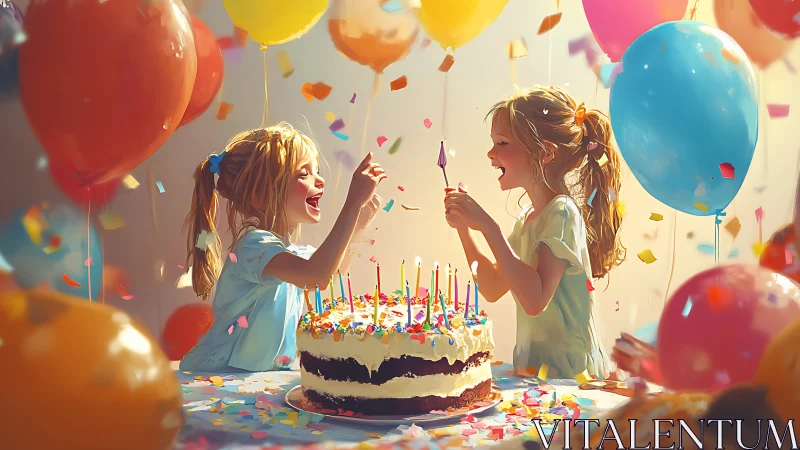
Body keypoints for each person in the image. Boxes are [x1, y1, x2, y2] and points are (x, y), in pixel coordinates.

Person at [443, 86, 625, 379]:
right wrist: (466, 230)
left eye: (502, 143)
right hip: (537, 374)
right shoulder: (529, 219)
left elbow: (535, 299)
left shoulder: (562, 213)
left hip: (571, 378)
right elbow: (491, 287)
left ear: (543, 153)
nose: (491, 153)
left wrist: (488, 227)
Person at [180, 122, 386, 372]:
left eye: (316, 171)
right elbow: (317, 276)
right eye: (304, 174)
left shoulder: (292, 254)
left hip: (261, 379)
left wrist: (359, 223)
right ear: (259, 196)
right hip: (223, 378)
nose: (320, 180)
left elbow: (332, 273)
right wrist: (351, 204)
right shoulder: (254, 245)